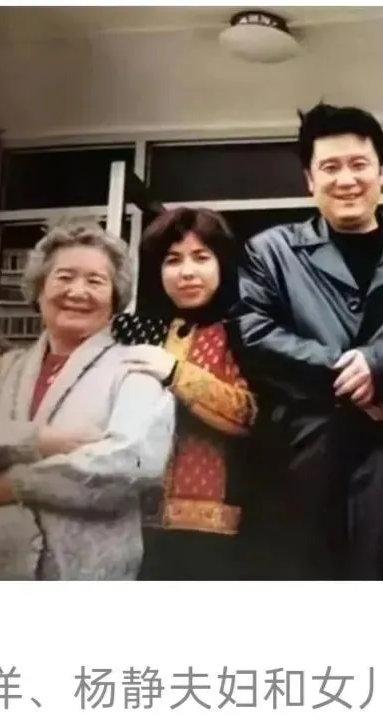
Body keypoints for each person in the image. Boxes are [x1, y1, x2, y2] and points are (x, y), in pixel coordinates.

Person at [235, 103, 383, 580]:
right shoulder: (271, 252)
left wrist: (381, 364)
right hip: (300, 463)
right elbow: (252, 334)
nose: (346, 179)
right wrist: (348, 374)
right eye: (330, 167)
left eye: (359, 164)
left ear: (382, 173)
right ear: (310, 179)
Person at [0, 221, 175, 580]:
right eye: (64, 277)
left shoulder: (134, 367)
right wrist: (40, 441)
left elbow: (133, 460)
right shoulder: (0, 365)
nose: (78, 291)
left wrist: (18, 483)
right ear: (39, 290)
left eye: (95, 281)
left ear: (114, 298)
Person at [111, 207, 259, 580]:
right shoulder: (136, 330)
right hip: (132, 525)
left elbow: (252, 414)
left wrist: (176, 373)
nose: (187, 272)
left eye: (201, 257)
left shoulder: (244, 331)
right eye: (172, 260)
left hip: (219, 534)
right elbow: (72, 346)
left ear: (223, 263)